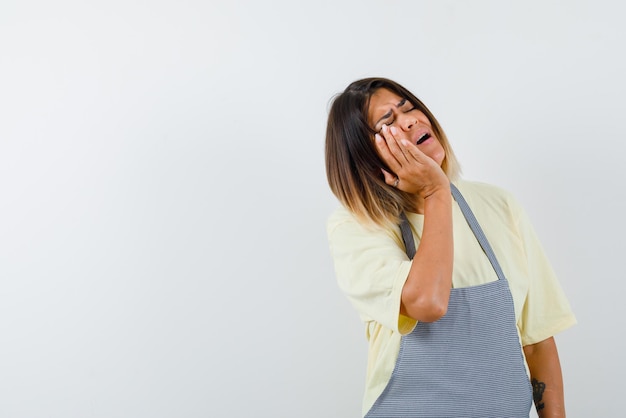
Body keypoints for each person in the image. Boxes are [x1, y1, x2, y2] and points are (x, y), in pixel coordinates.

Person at [325, 77, 576, 417]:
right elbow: (427, 302)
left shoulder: (498, 205)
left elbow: (537, 341)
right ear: (366, 155)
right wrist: (435, 192)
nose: (410, 120)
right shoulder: (358, 227)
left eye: (409, 108)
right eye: (388, 122)